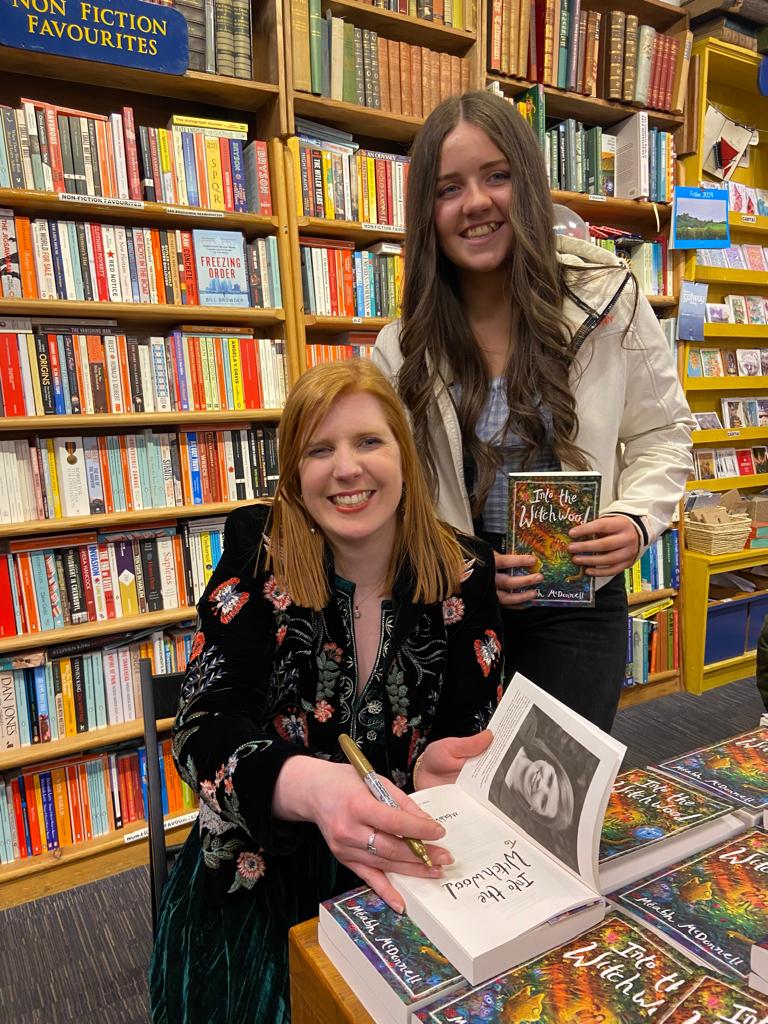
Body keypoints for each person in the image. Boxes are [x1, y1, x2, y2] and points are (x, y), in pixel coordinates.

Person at [149, 360, 504, 1023]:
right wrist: (311, 787)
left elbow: (469, 724)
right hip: (259, 869)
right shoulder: (258, 553)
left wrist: (442, 772)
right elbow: (204, 728)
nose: (346, 468)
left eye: (369, 441)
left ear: (405, 453)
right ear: (295, 474)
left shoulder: (464, 571)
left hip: (406, 856)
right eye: (320, 448)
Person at [373, 90, 694, 731]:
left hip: (578, 595)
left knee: (553, 801)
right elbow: (396, 496)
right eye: (448, 188)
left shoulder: (608, 300)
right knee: (454, 802)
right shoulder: (402, 346)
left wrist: (635, 521)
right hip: (459, 601)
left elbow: (664, 434)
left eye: (497, 176)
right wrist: (460, 569)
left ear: (528, 182)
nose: (477, 203)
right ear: (426, 213)